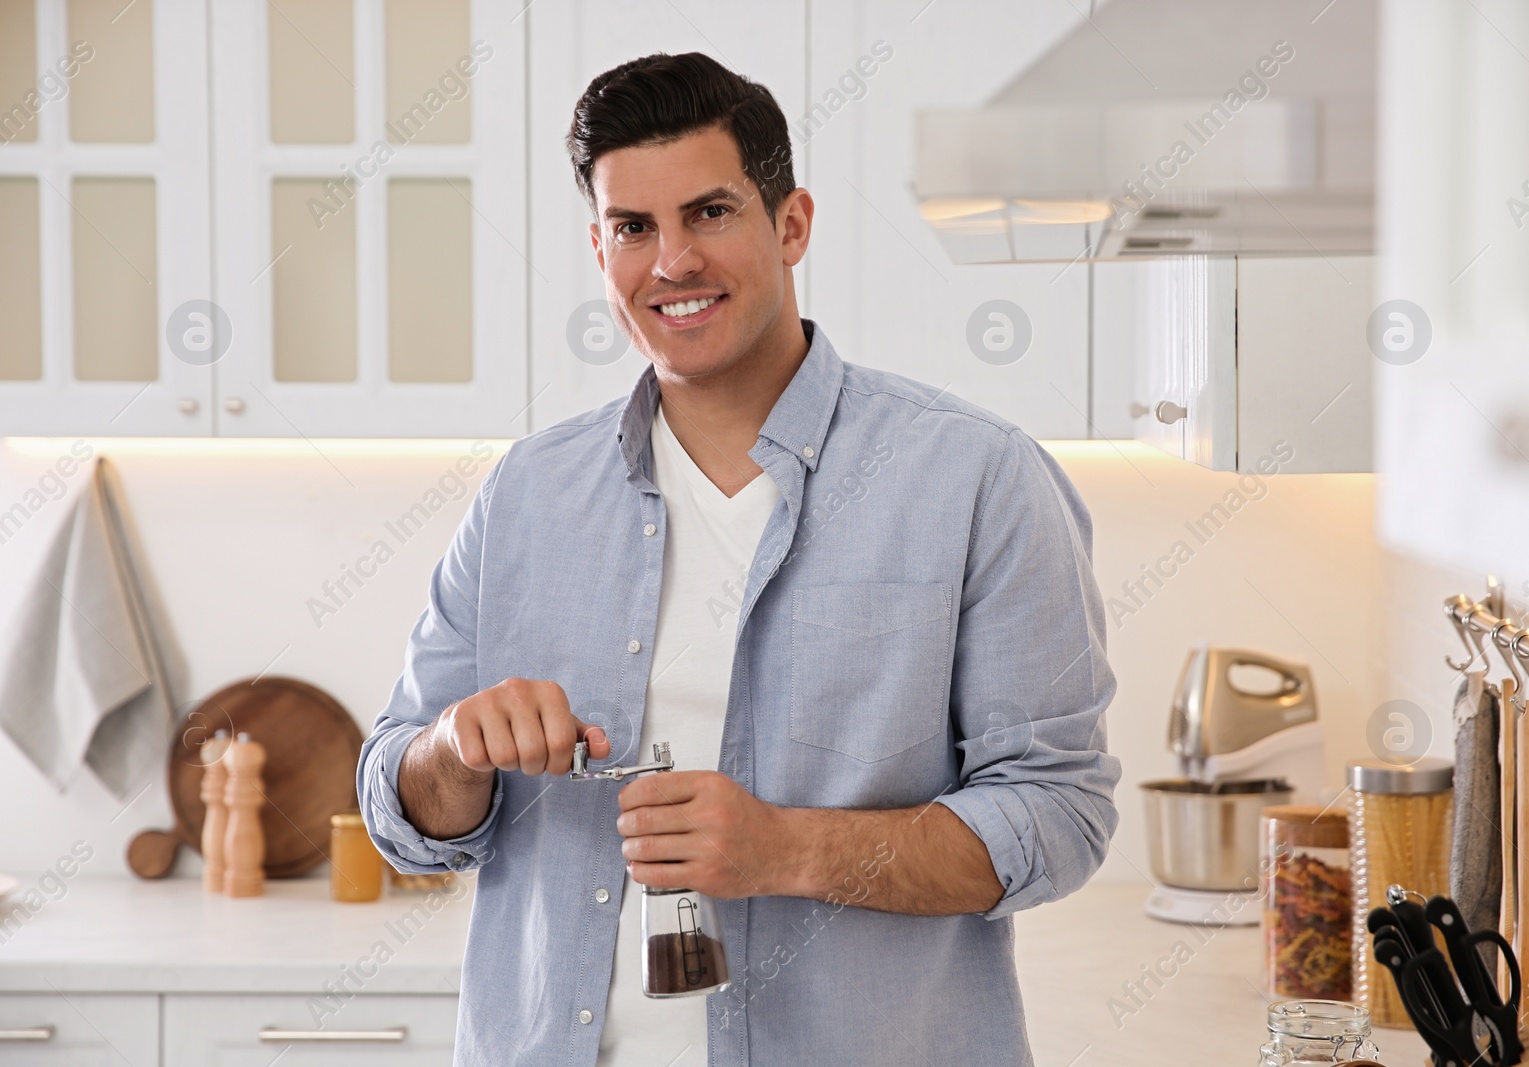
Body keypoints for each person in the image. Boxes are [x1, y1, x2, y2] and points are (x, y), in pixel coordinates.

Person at [357, 50, 1120, 1067]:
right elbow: (400, 809)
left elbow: (1058, 813)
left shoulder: (976, 479)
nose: (671, 261)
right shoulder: (526, 495)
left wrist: (786, 848)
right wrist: (450, 748)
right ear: (599, 248)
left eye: (709, 212)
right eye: (634, 227)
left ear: (791, 222)